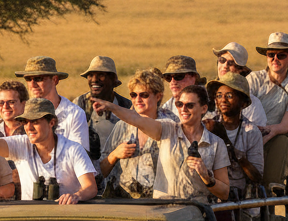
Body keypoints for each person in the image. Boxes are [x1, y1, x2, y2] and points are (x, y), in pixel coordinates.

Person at [93, 84, 231, 204]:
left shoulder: (216, 143)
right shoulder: (166, 129)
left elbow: (224, 193)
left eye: (189, 105)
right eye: (179, 104)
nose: (183, 109)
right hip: (163, 212)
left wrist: (206, 177)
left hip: (195, 214)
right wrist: (111, 107)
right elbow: (137, 119)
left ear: (203, 109)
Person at [205, 72, 265, 221]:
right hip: (209, 197)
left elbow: (256, 176)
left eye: (229, 95)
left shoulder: (251, 132)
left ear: (243, 102)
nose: (223, 100)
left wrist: (228, 144)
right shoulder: (206, 125)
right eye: (219, 95)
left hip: (238, 202)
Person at [247, 32, 288, 187]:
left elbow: (285, 125)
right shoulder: (253, 79)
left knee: (283, 141)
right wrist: (252, 135)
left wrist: (266, 133)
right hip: (246, 132)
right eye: (271, 54)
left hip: (273, 135)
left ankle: (271, 185)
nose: (275, 59)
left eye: (281, 55)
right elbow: (242, 110)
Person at [100, 68, 164, 198]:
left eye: (144, 95)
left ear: (158, 96)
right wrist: (114, 155)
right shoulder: (122, 126)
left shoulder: (170, 125)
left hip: (159, 204)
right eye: (133, 95)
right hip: (124, 204)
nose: (138, 99)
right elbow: (100, 171)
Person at [73, 55, 132, 182]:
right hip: (90, 177)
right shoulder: (79, 105)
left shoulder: (126, 106)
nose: (94, 80)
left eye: (101, 75)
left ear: (113, 80)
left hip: (121, 177)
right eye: (91, 75)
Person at [14, 57, 89, 153]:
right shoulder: (21, 112)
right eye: (28, 79)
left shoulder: (74, 114)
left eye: (38, 78)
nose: (32, 84)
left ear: (55, 80)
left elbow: (80, 155)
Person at [211, 42, 266, 127]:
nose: (225, 66)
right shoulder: (207, 96)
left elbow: (257, 135)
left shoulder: (251, 103)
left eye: (231, 63)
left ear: (240, 70)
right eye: (222, 60)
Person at [0, 80, 28, 198]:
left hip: (29, 198)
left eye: (11, 102)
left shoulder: (35, 132)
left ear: (24, 104)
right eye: (0, 103)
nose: (5, 107)